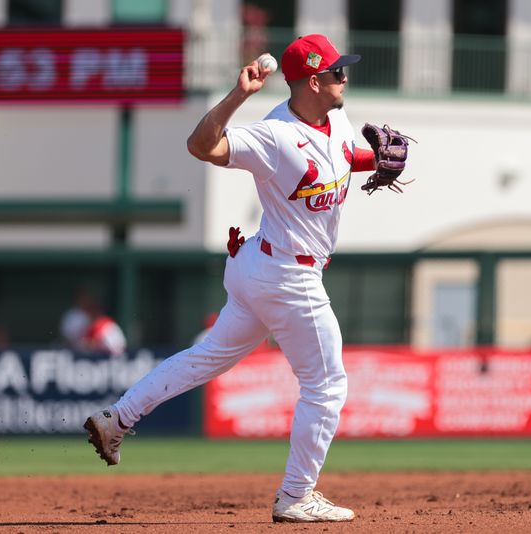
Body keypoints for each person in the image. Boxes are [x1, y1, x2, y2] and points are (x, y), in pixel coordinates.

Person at [84, 34, 383, 523]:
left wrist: (378, 161)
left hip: (258, 266)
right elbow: (200, 146)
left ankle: (117, 419)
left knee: (206, 357)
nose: (344, 77)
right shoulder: (274, 135)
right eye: (336, 72)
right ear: (313, 80)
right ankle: (296, 496)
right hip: (289, 274)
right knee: (326, 386)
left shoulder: (336, 117)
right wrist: (240, 94)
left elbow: (344, 156)